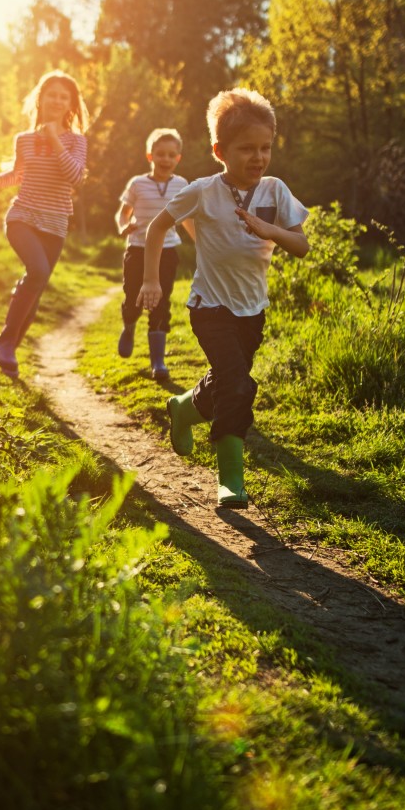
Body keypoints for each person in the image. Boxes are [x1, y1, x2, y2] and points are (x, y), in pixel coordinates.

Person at [135, 89, 309, 508]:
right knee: (237, 384)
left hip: (253, 310)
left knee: (227, 383)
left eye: (265, 147)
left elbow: (301, 245)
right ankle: (231, 479)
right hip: (210, 306)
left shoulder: (275, 190)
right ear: (219, 150)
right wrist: (151, 281)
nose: (258, 157)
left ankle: (184, 408)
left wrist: (272, 232)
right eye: (246, 148)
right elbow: (157, 228)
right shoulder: (203, 191)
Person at [0, 70, 90, 380]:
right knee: (38, 272)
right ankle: (6, 342)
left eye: (63, 96)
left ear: (70, 105)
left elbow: (75, 177)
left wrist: (55, 140)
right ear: (40, 98)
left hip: (55, 223)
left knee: (35, 289)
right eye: (51, 94)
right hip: (22, 216)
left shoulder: (76, 141)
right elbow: (18, 175)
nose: (56, 100)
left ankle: (9, 351)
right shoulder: (24, 140)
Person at [114, 127, 190, 381]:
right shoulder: (137, 184)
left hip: (167, 251)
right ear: (150, 156)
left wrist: (204, 242)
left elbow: (189, 217)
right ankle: (129, 324)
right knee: (134, 296)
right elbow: (123, 213)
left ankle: (158, 361)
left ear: (178, 158)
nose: (166, 159)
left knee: (161, 301)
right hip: (137, 248)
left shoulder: (182, 185)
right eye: (160, 154)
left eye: (171, 155)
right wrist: (123, 227)